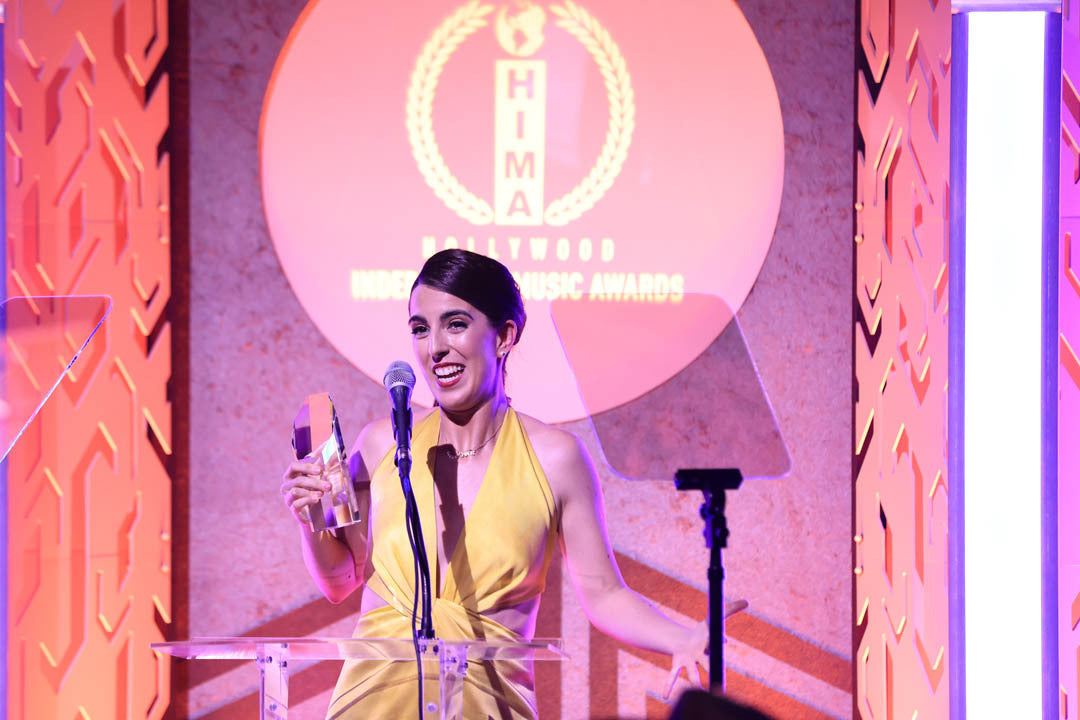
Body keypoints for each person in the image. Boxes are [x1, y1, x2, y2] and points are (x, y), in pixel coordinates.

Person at [281, 249, 743, 719]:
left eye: (455, 324)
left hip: (488, 706)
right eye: (420, 328)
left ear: (504, 336)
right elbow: (341, 581)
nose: (434, 347)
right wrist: (310, 522)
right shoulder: (384, 445)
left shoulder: (555, 458)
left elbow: (604, 593)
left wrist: (680, 638)